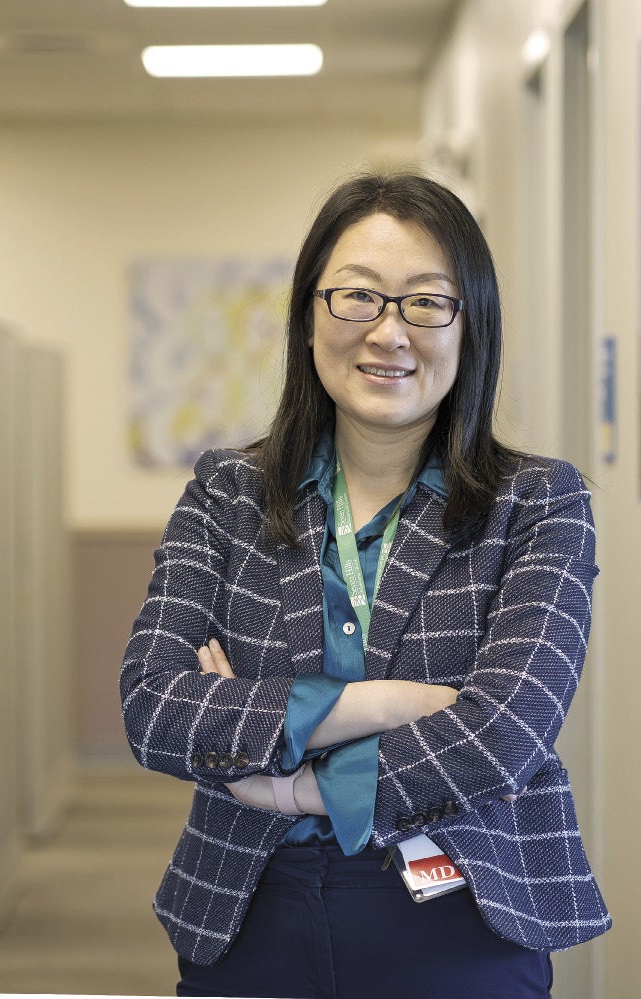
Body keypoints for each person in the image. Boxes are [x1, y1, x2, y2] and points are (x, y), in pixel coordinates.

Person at [120, 171, 611, 999]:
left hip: (464, 907)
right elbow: (154, 705)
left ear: (470, 328)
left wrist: (294, 785)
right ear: (310, 319)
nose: (389, 332)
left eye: (426, 301)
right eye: (357, 297)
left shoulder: (537, 504)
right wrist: (387, 702)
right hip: (245, 908)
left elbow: (506, 732)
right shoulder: (225, 494)